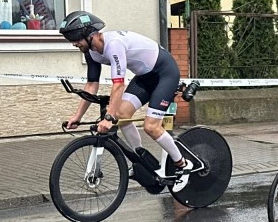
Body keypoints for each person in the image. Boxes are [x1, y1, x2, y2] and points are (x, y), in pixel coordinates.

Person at [58, 11, 193, 191]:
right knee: (122, 114)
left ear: (90, 35)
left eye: (75, 39)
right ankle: (141, 158)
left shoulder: (114, 45)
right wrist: (77, 116)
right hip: (145, 77)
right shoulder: (90, 51)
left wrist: (108, 118)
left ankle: (183, 165)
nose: (74, 43)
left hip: (164, 73)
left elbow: (118, 86)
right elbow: (91, 85)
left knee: (151, 126)